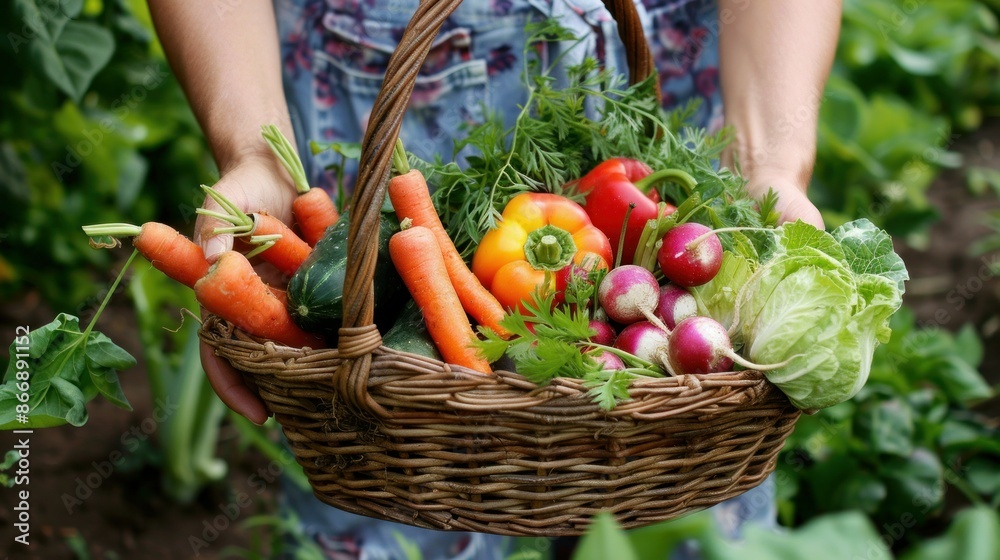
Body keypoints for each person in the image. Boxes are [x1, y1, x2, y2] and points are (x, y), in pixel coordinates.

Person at [147, 1, 840, 558]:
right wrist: (251, 151)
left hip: (660, 115)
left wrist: (770, 167)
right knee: (385, 517)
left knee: (682, 527)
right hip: (371, 149)